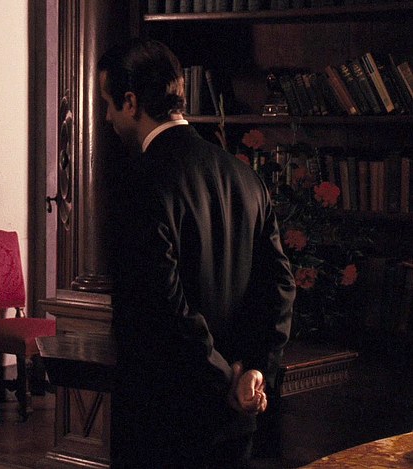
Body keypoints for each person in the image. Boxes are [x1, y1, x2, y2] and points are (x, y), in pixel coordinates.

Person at [98, 39, 295, 468]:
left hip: (164, 419)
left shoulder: (138, 183)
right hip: (235, 417)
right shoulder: (244, 176)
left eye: (109, 104)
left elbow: (162, 307)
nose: (108, 117)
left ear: (131, 102)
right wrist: (254, 371)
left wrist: (226, 378)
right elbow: (279, 288)